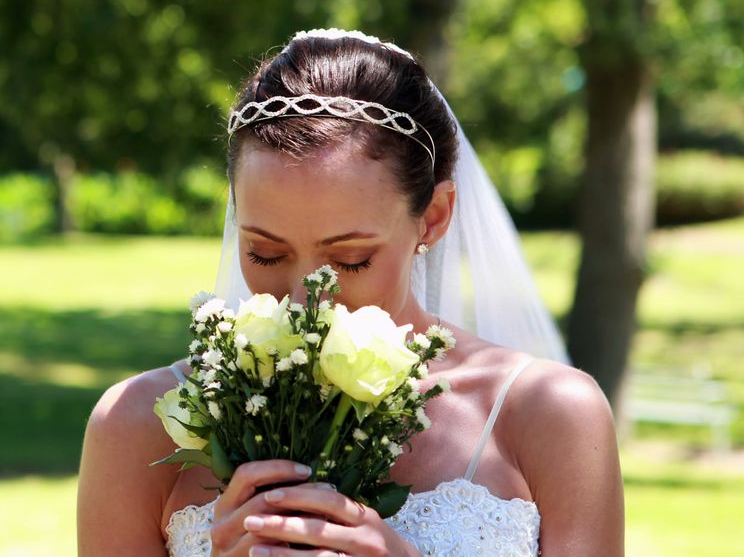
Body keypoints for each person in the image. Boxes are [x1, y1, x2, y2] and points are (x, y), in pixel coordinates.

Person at [77, 28, 624, 556]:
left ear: (432, 218)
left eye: (350, 259)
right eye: (265, 252)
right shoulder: (140, 425)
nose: (304, 300)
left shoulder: (548, 415)